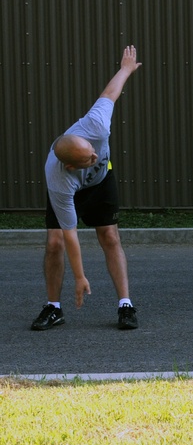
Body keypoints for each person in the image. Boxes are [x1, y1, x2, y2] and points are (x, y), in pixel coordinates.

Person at [33, 45, 143, 331]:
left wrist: (125, 69)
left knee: (109, 236)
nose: (95, 156)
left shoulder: (96, 125)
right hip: (74, 192)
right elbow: (71, 237)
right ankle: (53, 307)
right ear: (71, 166)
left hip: (101, 183)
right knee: (55, 242)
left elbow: (109, 94)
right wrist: (80, 277)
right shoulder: (59, 180)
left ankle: (125, 304)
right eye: (88, 159)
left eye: (93, 151)